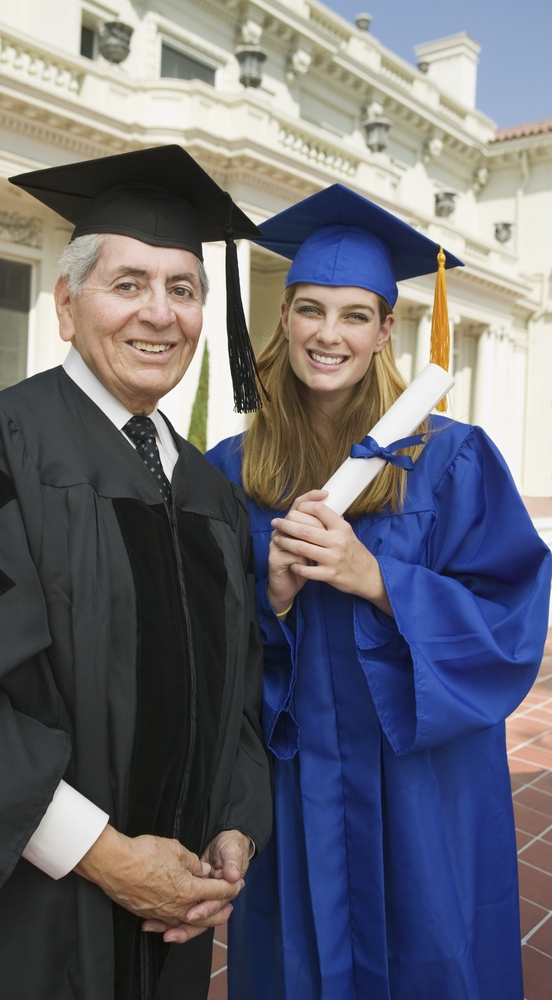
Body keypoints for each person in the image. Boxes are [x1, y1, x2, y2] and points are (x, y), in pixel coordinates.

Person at [0, 145, 272, 1000]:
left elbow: (239, 687)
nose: (160, 314)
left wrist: (236, 823)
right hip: (32, 917)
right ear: (66, 307)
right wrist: (110, 859)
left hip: (176, 918)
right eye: (127, 284)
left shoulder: (209, 491)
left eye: (183, 288)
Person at [207, 183, 552, 1000]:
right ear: (284, 315)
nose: (330, 334)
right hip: (295, 789)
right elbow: (202, 645)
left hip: (421, 786)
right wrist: (275, 597)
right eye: (311, 310)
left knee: (431, 955)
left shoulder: (452, 458)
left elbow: (513, 620)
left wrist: (379, 580)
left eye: (355, 314)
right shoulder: (231, 468)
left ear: (387, 328)